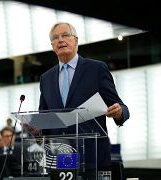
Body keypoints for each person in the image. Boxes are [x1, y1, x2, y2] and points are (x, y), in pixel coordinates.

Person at [38, 22, 130, 171]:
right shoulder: (46, 78)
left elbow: (122, 107)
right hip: (60, 156)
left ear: (76, 40)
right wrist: (36, 128)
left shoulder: (97, 69)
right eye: (55, 38)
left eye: (65, 35)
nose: (60, 40)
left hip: (92, 156)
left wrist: (119, 112)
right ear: (52, 45)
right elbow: (44, 116)